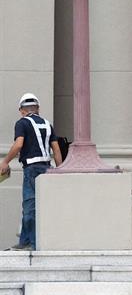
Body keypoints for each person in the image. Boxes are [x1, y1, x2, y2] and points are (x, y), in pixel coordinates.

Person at [0, 93, 62, 250]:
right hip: (47, 168)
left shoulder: (22, 123)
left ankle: (31, 244)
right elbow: (56, 149)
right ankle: (26, 241)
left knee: (29, 206)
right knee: (44, 206)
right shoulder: (48, 124)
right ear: (38, 109)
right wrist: (61, 169)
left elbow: (19, 144)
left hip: (32, 169)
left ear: (22, 110)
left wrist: (6, 161)